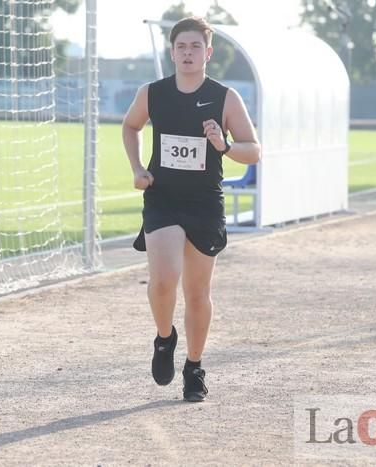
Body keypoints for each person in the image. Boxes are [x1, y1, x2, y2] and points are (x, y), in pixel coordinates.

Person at [122, 16, 260, 402]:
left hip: (204, 203)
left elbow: (254, 151)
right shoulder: (152, 93)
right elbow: (130, 126)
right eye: (181, 47)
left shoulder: (225, 97)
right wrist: (137, 168)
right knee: (163, 280)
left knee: (197, 293)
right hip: (163, 197)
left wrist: (225, 146)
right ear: (172, 52)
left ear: (208, 53)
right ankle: (165, 339)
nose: (187, 53)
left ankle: (194, 367)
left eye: (195, 47)